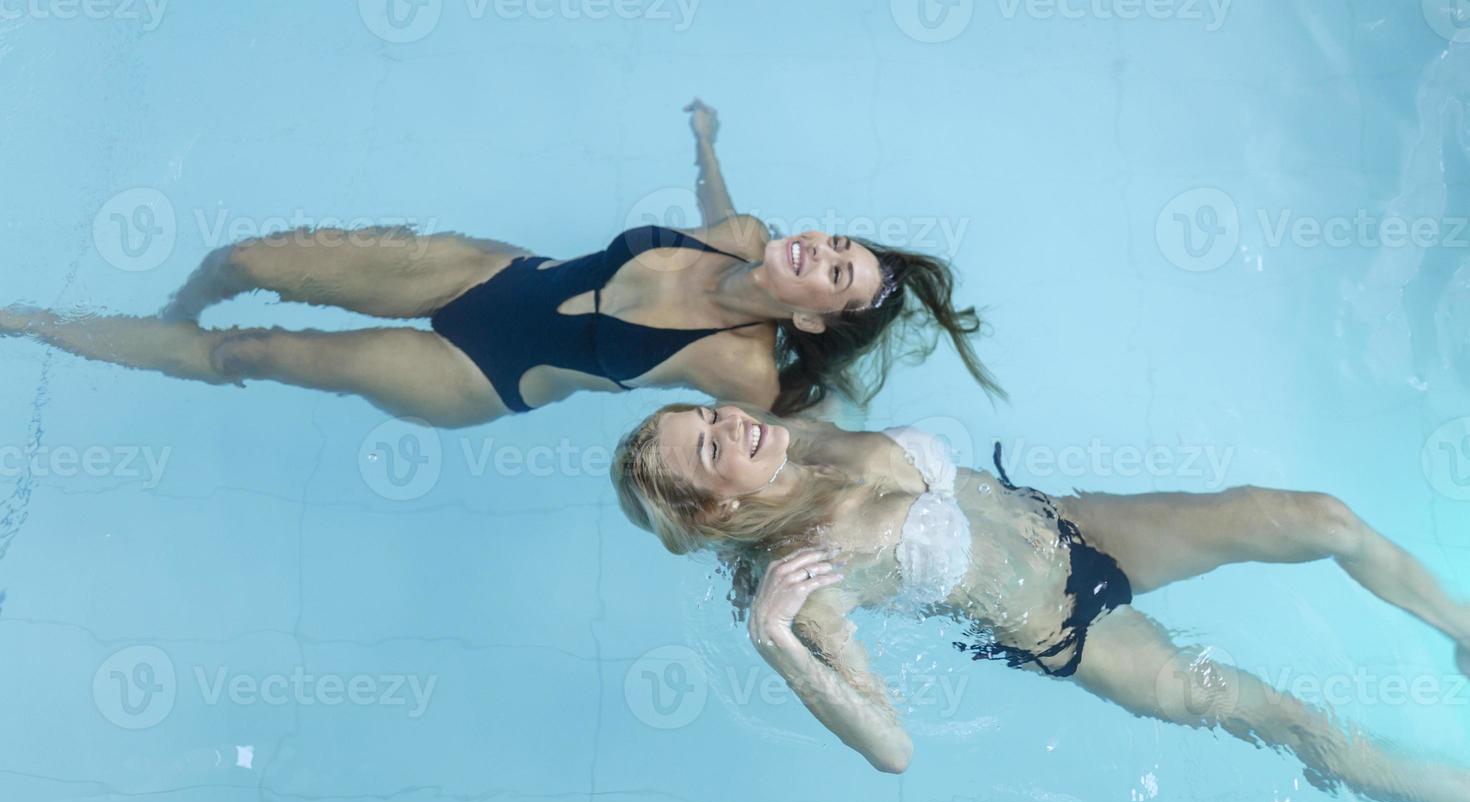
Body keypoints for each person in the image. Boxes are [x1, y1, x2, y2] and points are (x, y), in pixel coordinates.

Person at [612, 401, 1470, 802]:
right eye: (711, 447)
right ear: (716, 510)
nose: (731, 422)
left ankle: (1463, 629)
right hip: (1079, 634)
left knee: (1320, 518)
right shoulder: (810, 580)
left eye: (706, 414)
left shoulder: (801, 426)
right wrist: (778, 644)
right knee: (1295, 725)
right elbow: (894, 749)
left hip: (1074, 524)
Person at [0, 101, 1000, 426]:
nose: (822, 253)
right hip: (490, 275)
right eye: (838, 246)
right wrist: (704, 138)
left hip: (481, 374)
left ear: (815, 321)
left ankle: (42, 327)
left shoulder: (736, 369)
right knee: (248, 256)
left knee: (250, 351)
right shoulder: (744, 238)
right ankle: (171, 307)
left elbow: (782, 451)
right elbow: (721, 208)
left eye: (836, 278)